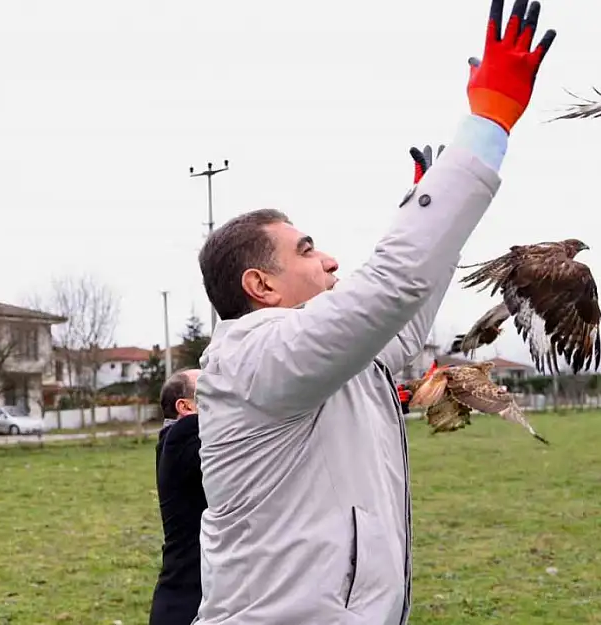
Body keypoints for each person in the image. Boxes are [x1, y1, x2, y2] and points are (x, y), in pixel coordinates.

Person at [191, 2, 557, 622]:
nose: (331, 260)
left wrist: (430, 217)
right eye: (306, 250)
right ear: (261, 285)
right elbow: (390, 285)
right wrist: (486, 123)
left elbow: (402, 315)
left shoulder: (318, 364)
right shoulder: (256, 357)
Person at [149, 368, 207, 625]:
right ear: (185, 407)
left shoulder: (174, 440)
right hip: (186, 602)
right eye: (208, 389)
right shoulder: (184, 435)